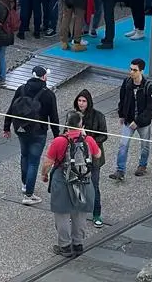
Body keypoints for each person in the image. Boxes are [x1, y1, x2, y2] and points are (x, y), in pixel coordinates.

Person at [40, 110, 101, 258]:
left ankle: (65, 246)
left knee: (62, 214)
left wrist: (44, 174)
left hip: (63, 181)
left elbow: (48, 163)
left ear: (66, 125)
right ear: (81, 125)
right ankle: (78, 244)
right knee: (80, 214)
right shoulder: (89, 140)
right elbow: (98, 155)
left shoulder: (59, 141)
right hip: (83, 181)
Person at [3, 66, 60, 205]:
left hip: (21, 129)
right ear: (43, 77)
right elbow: (54, 117)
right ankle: (29, 194)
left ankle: (24, 184)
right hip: (38, 132)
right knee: (34, 161)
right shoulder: (48, 94)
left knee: (24, 155)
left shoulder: (21, 89)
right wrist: (57, 135)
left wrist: (7, 127)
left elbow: (11, 109)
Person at [108, 58, 152, 181]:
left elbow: (150, 108)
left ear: (141, 71)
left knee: (145, 145)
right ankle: (120, 170)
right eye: (130, 69)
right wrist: (121, 114)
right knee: (123, 145)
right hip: (129, 120)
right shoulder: (127, 83)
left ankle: (142, 165)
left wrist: (138, 121)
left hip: (143, 122)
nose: (131, 72)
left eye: (135, 70)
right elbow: (122, 99)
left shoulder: (149, 87)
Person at [73, 90, 107, 227]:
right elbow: (66, 132)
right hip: (77, 156)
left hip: (94, 157)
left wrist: (89, 138)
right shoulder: (73, 116)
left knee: (94, 185)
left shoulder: (98, 116)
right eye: (79, 101)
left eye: (84, 101)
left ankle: (96, 213)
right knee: (75, 185)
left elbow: (104, 135)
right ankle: (75, 212)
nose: (81, 103)